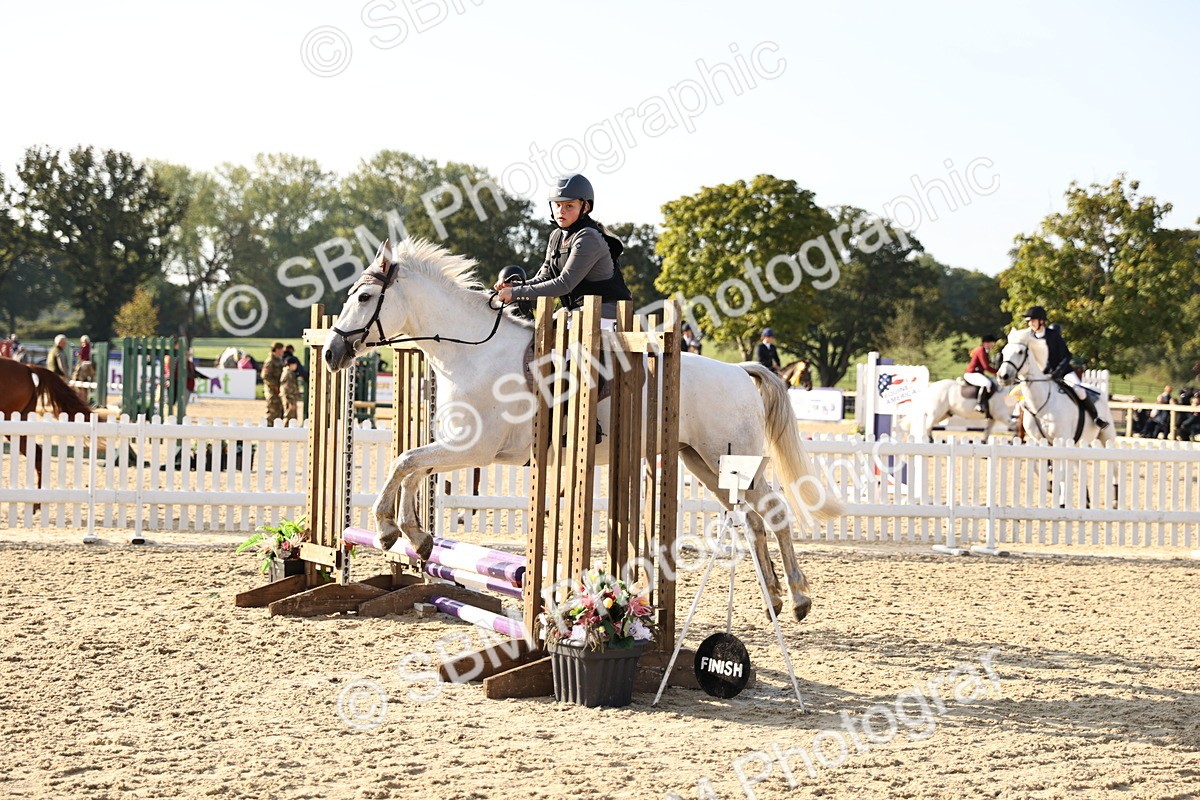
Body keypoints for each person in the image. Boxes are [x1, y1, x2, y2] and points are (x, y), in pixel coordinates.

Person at [494, 174, 632, 327]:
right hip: (579, 312)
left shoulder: (588, 237)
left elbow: (564, 284)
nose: (561, 211)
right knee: (538, 330)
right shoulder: (556, 236)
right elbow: (545, 277)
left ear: (585, 207)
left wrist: (516, 294)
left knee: (556, 333)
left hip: (608, 316)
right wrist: (514, 286)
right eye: (557, 205)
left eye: (569, 206)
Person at [1023, 306, 1108, 429]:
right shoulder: (1029, 338)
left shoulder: (1053, 335)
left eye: (1032, 320)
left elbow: (1067, 356)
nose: (1030, 323)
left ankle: (1095, 417)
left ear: (1041, 321)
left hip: (1063, 372)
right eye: (1029, 321)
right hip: (1042, 375)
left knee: (1079, 390)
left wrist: (1057, 372)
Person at [963, 334, 999, 413]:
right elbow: (986, 366)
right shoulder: (981, 350)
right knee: (986, 383)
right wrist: (997, 372)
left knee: (990, 382)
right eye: (992, 343)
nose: (993, 345)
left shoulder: (985, 351)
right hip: (971, 373)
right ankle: (979, 404)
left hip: (977, 373)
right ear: (986, 343)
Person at [261, 342, 285, 425]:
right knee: (272, 412)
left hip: (279, 390)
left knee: (279, 412)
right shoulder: (270, 361)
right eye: (282, 350)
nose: (283, 351)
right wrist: (275, 385)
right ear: (277, 350)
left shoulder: (279, 359)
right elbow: (265, 376)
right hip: (272, 391)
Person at [280, 355, 302, 423]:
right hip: (290, 399)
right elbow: (287, 389)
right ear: (290, 365)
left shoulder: (289, 373)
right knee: (289, 416)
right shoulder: (288, 374)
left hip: (290, 398)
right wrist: (291, 402)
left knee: (291, 417)